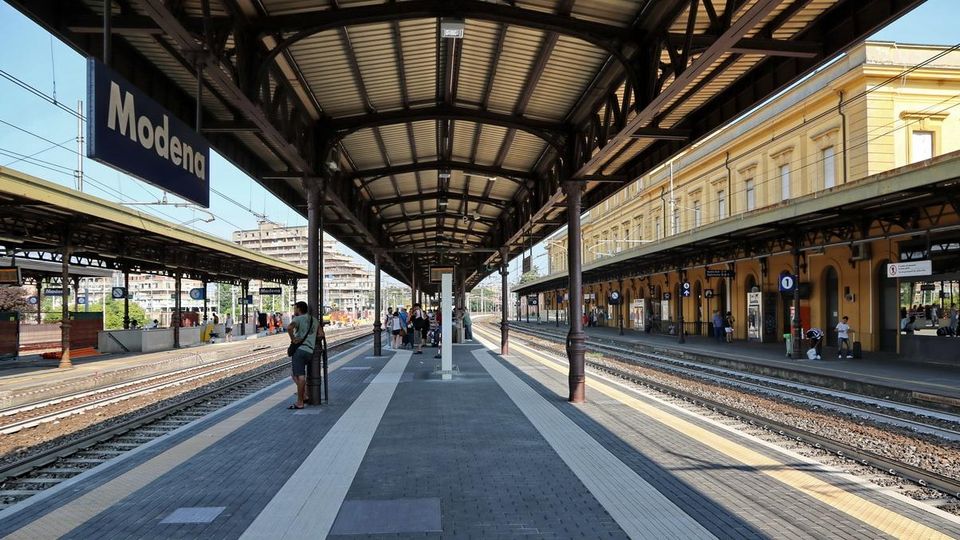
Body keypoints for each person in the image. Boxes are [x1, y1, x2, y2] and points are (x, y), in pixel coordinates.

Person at [287, 301, 319, 410]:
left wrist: (293, 339)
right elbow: (321, 334)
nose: (294, 310)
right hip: (310, 351)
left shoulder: (298, 319)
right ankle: (304, 395)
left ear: (299, 309)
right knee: (294, 374)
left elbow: (289, 328)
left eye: (295, 308)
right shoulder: (314, 320)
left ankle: (300, 401)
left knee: (300, 376)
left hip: (300, 350)